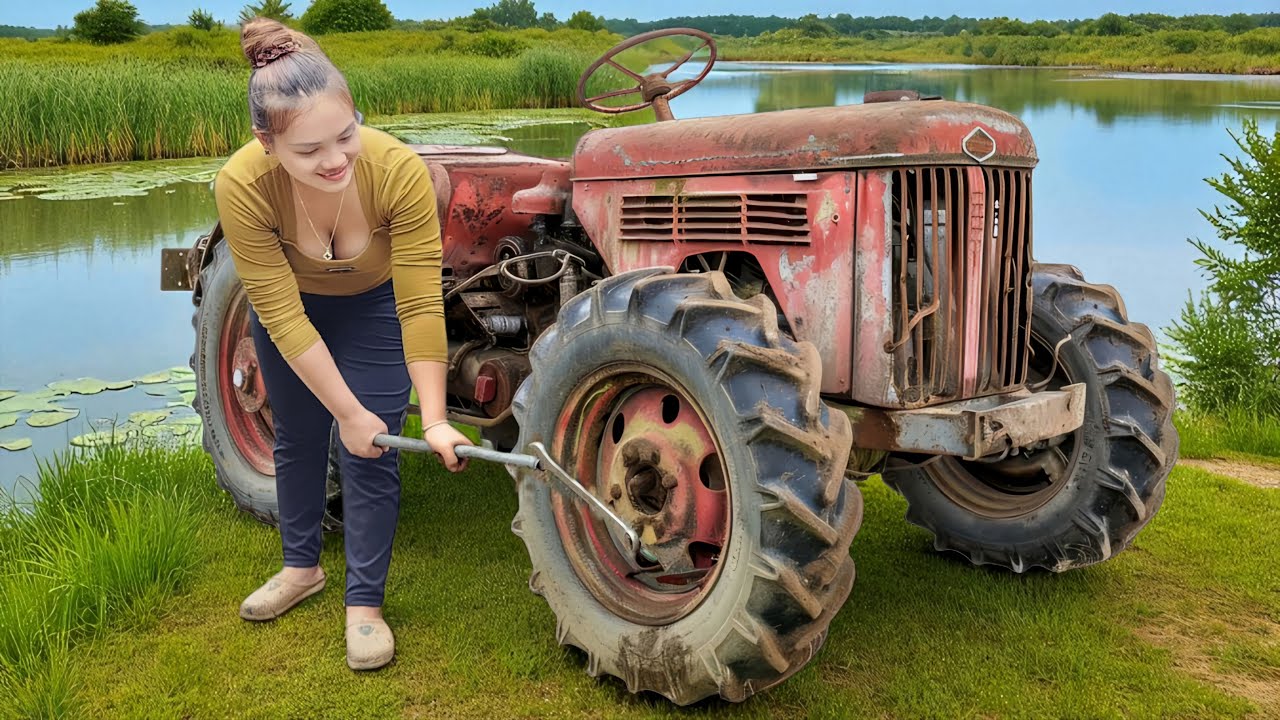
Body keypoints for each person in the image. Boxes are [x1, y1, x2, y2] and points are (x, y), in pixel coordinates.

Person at [214, 17, 472, 671]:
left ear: (357, 115)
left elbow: (418, 302)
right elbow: (277, 313)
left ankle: (365, 607)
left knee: (373, 446)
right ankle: (301, 569)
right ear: (265, 142)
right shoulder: (240, 186)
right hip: (291, 315)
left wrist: (437, 419)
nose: (333, 160)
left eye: (346, 136)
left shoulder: (398, 173)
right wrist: (344, 411)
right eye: (308, 151)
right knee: (297, 437)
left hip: (375, 307)